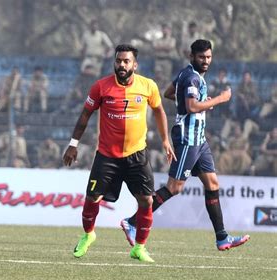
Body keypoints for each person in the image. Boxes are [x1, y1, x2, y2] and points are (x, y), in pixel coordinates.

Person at [120, 39, 250, 251]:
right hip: (188, 139)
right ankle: (132, 222)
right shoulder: (191, 77)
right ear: (192, 57)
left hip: (199, 140)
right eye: (201, 57)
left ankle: (222, 237)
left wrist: (199, 101)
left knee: (213, 184)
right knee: (174, 187)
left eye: (208, 57)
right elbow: (190, 107)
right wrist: (219, 99)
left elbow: (170, 93)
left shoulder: (188, 75)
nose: (206, 61)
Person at [63, 44, 175, 263]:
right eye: (118, 61)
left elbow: (159, 112)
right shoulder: (101, 87)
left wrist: (164, 140)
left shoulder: (148, 86)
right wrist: (73, 143)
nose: (121, 65)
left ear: (135, 64)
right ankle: (88, 235)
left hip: (137, 155)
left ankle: (139, 248)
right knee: (92, 197)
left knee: (146, 201)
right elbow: (85, 115)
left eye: (126, 61)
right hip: (107, 156)